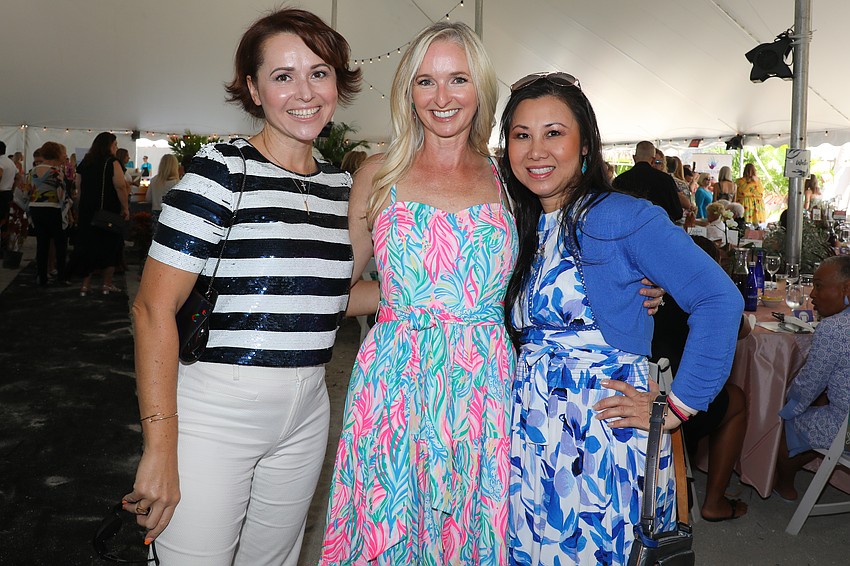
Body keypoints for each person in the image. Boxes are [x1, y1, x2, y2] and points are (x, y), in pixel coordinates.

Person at [123, 9, 362, 564]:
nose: (304, 92)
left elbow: (324, 296)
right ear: (254, 90)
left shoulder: (338, 186)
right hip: (215, 409)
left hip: (309, 410)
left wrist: (446, 296)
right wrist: (160, 445)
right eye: (283, 76)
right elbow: (153, 308)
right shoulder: (223, 170)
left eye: (319, 72)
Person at [498, 72, 743, 564]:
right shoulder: (516, 221)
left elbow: (720, 299)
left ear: (584, 143)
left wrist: (677, 407)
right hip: (529, 427)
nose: (535, 150)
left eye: (554, 133)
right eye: (521, 135)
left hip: (600, 429)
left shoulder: (621, 216)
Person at [319, 21, 519, 564]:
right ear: (408, 90)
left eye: (458, 79)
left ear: (481, 88)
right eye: (426, 81)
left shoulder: (511, 179)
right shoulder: (377, 174)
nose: (442, 97)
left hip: (483, 388)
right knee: (389, 531)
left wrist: (637, 290)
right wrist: (403, 304)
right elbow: (336, 286)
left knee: (472, 533)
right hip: (393, 386)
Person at [652, 235, 749, 522]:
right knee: (738, 400)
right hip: (678, 412)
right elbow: (742, 330)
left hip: (642, 399)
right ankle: (715, 501)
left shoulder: (648, 292)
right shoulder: (710, 299)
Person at [774, 256, 850, 501]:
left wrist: (786, 404)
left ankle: (783, 484)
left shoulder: (834, 328)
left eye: (818, 285)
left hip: (846, 429)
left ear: (846, 289)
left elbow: (808, 385)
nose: (812, 295)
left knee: (788, 420)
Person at [73, 132, 128, 296]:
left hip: (87, 211)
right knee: (110, 246)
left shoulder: (85, 162)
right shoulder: (113, 162)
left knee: (88, 246)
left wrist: (80, 208)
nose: (116, 147)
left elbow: (78, 186)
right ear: (110, 145)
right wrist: (125, 207)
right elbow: (119, 186)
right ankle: (106, 284)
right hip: (107, 211)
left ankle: (85, 285)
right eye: (115, 144)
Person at [26, 142, 68, 285]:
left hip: (35, 208)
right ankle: (61, 277)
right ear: (57, 154)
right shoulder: (56, 172)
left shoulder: (33, 171)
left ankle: (42, 277)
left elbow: (27, 191)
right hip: (52, 208)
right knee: (60, 243)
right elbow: (62, 194)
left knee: (42, 244)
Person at [612, 140, 683, 223]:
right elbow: (677, 213)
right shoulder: (665, 180)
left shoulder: (619, 180)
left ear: (634, 158)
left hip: (627, 230)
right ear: (653, 160)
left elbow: (613, 210)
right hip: (658, 230)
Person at [145, 154, 180, 223]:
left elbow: (148, 198)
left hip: (156, 213)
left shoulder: (154, 180)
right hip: (171, 215)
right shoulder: (176, 183)